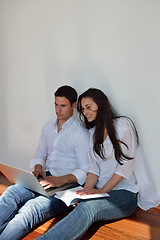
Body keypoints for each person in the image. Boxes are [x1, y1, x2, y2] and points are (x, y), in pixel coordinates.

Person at [36, 88, 160, 240]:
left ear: (100, 105)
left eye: (89, 107)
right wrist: (85, 190)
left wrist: (101, 190)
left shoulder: (123, 125)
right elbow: (93, 169)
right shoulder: (92, 133)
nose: (85, 112)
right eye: (82, 109)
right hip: (99, 190)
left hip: (124, 194)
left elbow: (126, 165)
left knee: (88, 208)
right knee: (80, 204)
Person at [0, 85, 90, 240]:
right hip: (45, 178)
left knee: (28, 212)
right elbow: (40, 154)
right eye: (56, 104)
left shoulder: (79, 133)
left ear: (74, 106)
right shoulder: (48, 126)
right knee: (10, 194)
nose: (58, 110)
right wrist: (38, 167)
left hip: (66, 188)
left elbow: (85, 170)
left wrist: (59, 180)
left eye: (63, 106)